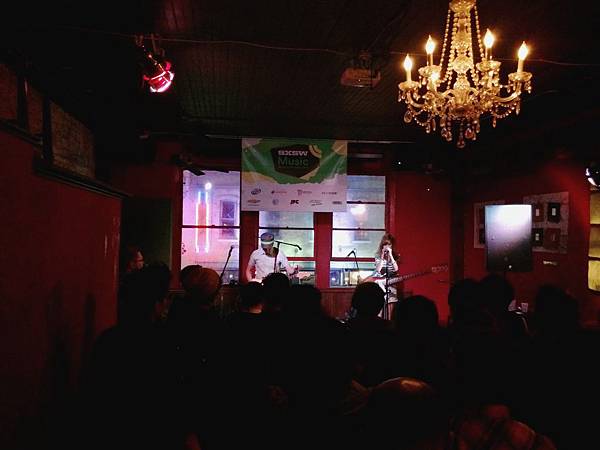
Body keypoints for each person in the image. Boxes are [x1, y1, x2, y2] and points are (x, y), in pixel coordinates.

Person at [373, 232, 400, 319]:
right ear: (382, 245)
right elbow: (378, 269)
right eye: (385, 244)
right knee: (379, 309)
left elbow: (396, 269)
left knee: (390, 311)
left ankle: (389, 325)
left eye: (389, 244)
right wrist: (382, 257)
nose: (387, 246)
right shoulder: (378, 256)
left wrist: (391, 256)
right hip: (381, 284)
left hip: (391, 284)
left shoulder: (395, 256)